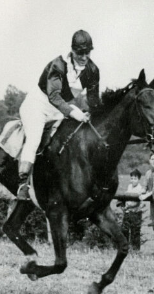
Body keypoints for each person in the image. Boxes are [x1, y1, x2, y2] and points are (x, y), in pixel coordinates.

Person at [17, 29, 101, 201]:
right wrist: (75, 112)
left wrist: (92, 113)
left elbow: (93, 100)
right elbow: (54, 96)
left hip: (60, 109)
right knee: (34, 139)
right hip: (38, 105)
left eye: (88, 52)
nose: (84, 57)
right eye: (80, 53)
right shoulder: (58, 65)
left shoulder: (92, 70)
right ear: (72, 50)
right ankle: (23, 184)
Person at [116, 169, 145, 251]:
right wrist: (122, 205)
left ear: (139, 179)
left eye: (135, 178)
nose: (133, 180)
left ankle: (135, 250)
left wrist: (127, 207)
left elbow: (137, 202)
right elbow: (125, 196)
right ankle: (125, 248)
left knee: (135, 232)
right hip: (127, 212)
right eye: (131, 178)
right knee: (125, 230)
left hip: (135, 212)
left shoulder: (140, 189)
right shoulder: (129, 186)